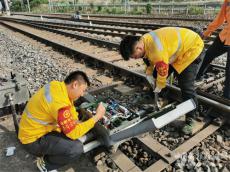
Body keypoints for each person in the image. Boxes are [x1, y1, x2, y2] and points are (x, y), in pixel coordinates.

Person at [119, 27, 204, 135]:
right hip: (176, 51)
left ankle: (191, 118)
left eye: (134, 56)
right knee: (155, 75)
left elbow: (162, 72)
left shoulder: (156, 51)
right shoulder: (144, 41)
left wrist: (159, 85)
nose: (135, 59)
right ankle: (155, 100)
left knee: (186, 86)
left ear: (138, 48)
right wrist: (149, 74)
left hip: (191, 49)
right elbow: (149, 60)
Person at [18, 71, 106, 172]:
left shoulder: (57, 85)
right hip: (32, 141)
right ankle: (45, 165)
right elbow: (73, 133)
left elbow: (69, 105)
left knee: (71, 133)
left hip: (31, 129)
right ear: (75, 85)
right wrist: (97, 117)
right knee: (76, 148)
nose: (82, 94)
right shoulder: (59, 103)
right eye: (83, 90)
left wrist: (77, 121)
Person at [196, 0, 230, 100]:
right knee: (208, 54)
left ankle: (227, 97)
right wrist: (207, 32)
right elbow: (220, 19)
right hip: (225, 36)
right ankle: (198, 76)